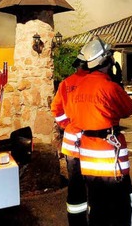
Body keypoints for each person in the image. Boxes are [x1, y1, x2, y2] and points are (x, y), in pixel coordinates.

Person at [63, 36, 132, 225]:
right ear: (105, 60)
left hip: (87, 157)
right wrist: (118, 85)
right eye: (110, 56)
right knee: (121, 208)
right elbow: (128, 109)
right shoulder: (109, 87)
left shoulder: (77, 88)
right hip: (110, 159)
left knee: (96, 206)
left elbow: (72, 116)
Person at [51, 56, 89, 226]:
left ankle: (76, 221)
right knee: (96, 184)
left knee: (75, 186)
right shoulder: (96, 83)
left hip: (72, 146)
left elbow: (56, 110)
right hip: (93, 145)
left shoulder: (66, 83)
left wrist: (68, 124)